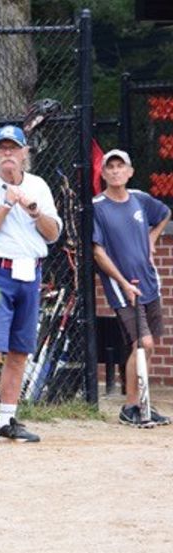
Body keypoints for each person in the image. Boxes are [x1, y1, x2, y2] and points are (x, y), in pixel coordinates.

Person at [0, 125, 62, 445]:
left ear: (24, 154)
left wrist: (33, 211)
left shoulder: (39, 187)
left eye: (13, 148)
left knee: (19, 352)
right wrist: (5, 205)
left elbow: (52, 233)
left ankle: (7, 419)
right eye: (2, 148)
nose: (8, 153)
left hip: (30, 274)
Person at [92, 149, 171, 426]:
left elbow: (165, 213)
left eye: (120, 166)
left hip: (149, 283)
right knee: (142, 343)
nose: (115, 171)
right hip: (123, 287)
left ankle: (143, 404)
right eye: (109, 167)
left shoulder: (140, 200)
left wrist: (152, 238)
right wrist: (123, 283)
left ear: (129, 172)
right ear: (103, 174)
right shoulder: (98, 206)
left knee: (147, 349)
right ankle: (129, 407)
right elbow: (98, 252)